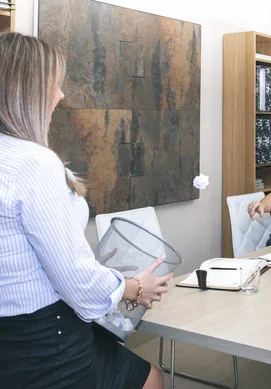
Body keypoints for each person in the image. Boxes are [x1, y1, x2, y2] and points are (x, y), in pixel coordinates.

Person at [0, 32, 171, 389]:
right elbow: (77, 281)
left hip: (13, 342)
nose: (61, 95)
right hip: (48, 344)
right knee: (151, 379)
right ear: (26, 90)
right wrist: (134, 287)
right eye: (55, 84)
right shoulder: (34, 163)